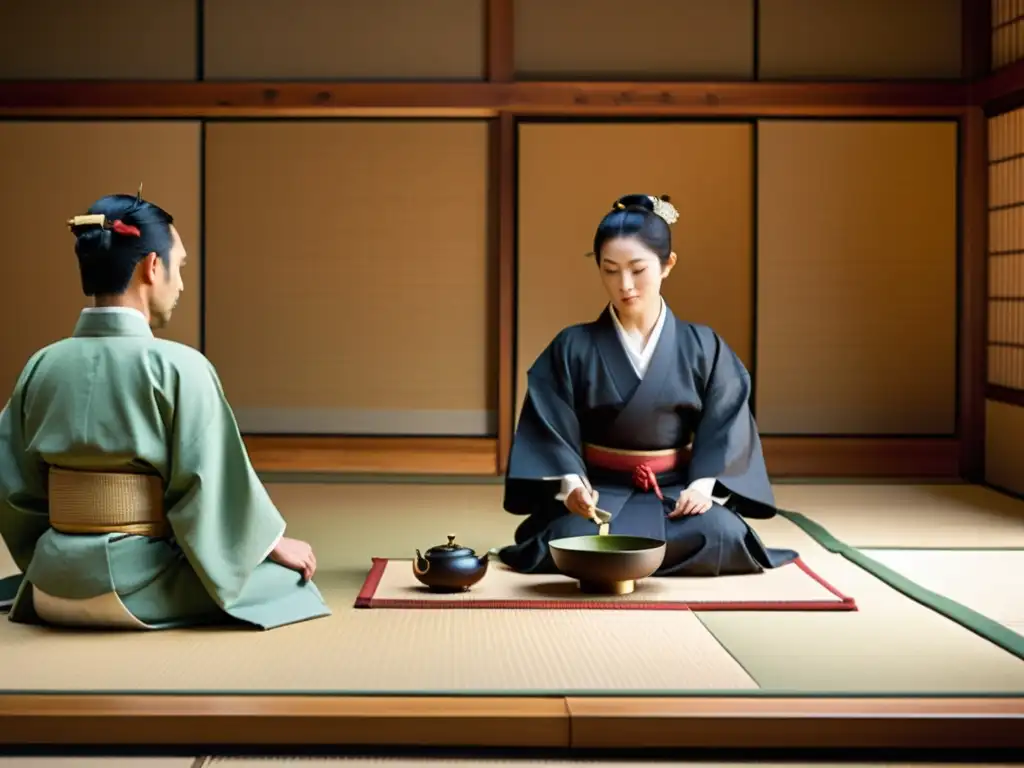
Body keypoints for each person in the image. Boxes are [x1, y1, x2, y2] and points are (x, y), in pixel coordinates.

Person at [0, 189, 331, 630]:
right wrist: (270, 543)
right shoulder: (181, 367)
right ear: (152, 266)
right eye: (180, 267)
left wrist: (56, 553)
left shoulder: (40, 365)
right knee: (287, 584)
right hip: (132, 590)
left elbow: (13, 489)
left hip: (49, 587)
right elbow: (209, 488)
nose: (180, 284)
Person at [498, 194, 798, 577]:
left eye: (637, 269)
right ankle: (635, 554)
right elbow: (549, 428)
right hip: (599, 495)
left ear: (667, 264)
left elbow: (726, 424)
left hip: (675, 494)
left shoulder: (703, 345)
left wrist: (703, 486)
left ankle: (621, 559)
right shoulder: (572, 346)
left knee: (722, 533)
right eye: (610, 270)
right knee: (565, 535)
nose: (624, 285)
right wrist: (572, 487)